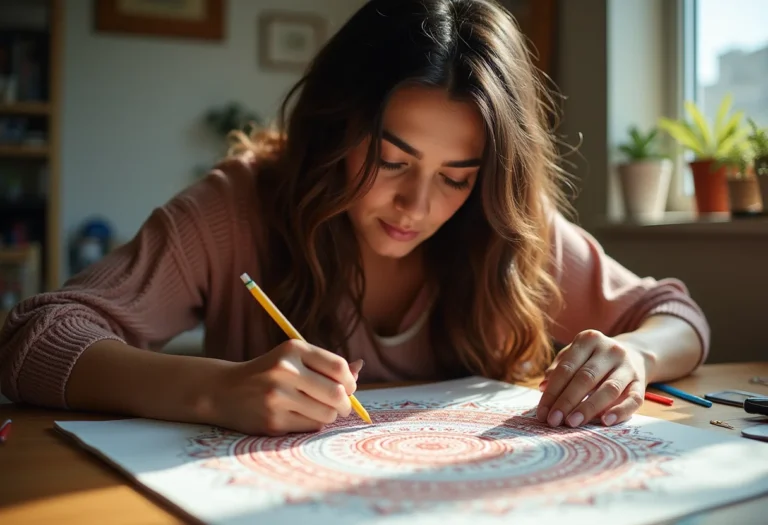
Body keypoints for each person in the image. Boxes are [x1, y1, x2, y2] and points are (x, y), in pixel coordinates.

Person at [0, 0, 708, 437]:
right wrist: (215, 388)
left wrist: (635, 355)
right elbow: (34, 338)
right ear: (335, 130)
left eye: (456, 177)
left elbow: (675, 313)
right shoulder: (241, 206)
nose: (418, 206)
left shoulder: (502, 224)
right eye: (392, 161)